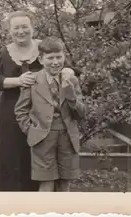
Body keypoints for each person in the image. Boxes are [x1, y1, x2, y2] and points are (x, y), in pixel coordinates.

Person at [0, 11, 76, 191]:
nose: (21, 31)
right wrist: (17, 81)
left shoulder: (43, 48)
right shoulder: (2, 52)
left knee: (40, 155)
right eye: (16, 27)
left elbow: (65, 66)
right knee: (12, 155)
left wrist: (69, 72)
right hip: (11, 112)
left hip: (42, 112)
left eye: (25, 26)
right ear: (9, 31)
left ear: (32, 28)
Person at [14, 37, 86, 192]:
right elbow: (20, 110)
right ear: (41, 59)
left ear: (64, 57)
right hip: (42, 138)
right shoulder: (33, 80)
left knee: (65, 183)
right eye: (50, 58)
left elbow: (81, 113)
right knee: (46, 183)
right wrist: (31, 130)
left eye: (59, 57)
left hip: (68, 137)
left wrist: (71, 95)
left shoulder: (71, 79)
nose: (55, 62)